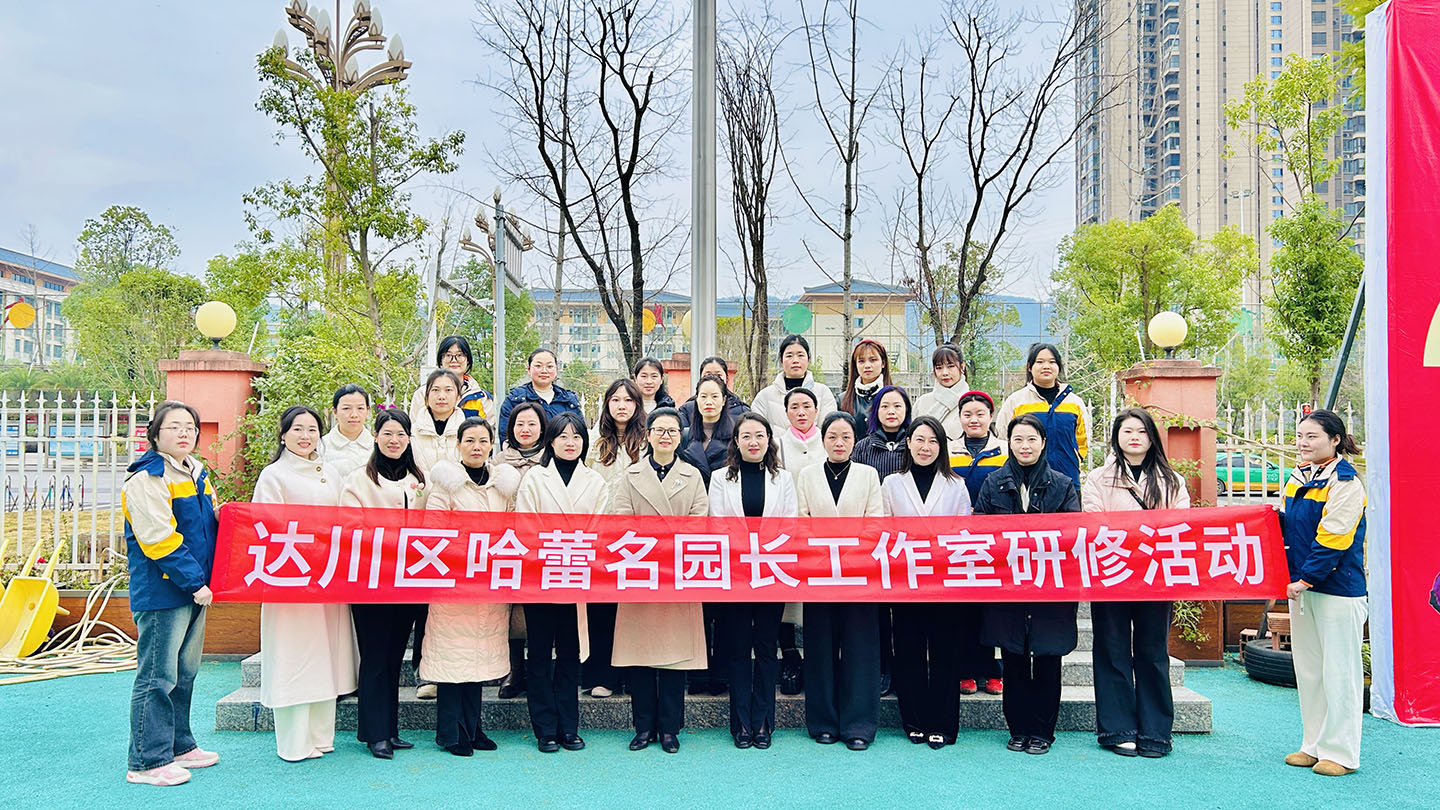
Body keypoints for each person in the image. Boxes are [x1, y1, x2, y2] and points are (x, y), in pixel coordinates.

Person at [1081, 407, 1191, 758]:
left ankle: (1156, 732)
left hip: (1156, 576)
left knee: (1153, 651)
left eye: (1141, 432)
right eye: (1127, 431)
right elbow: (1093, 521)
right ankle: (1117, 729)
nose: (1134, 437)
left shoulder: (1171, 480)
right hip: (1111, 574)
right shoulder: (1099, 479)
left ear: (1151, 437)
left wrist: (1141, 541)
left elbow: (1180, 524)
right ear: (1116, 437)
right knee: (1111, 649)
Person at [251, 406, 358, 762]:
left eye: (312, 429)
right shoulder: (273, 476)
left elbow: (345, 520)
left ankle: (321, 736)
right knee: (294, 656)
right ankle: (294, 742)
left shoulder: (331, 472)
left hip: (327, 579)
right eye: (297, 429)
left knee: (326, 656)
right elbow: (266, 528)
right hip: (291, 581)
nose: (305, 436)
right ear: (283, 435)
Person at [122, 401, 220, 787]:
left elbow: (209, 525)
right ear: (155, 434)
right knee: (157, 675)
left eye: (190, 427)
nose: (184, 433)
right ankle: (147, 760)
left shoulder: (196, 472)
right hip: (164, 591)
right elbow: (158, 539)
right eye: (174, 426)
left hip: (196, 589)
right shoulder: (148, 477)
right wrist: (195, 582)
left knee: (185, 671)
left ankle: (179, 745)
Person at [976, 414, 1081, 756]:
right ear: (1009, 443)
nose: (1025, 446)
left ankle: (1043, 731)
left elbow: (1073, 535)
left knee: (1048, 659)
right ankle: (1018, 728)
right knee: (1014, 658)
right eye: (1018, 439)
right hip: (1008, 587)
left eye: (1031, 439)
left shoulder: (1062, 485)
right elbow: (980, 530)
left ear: (1043, 443)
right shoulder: (993, 483)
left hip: (1050, 586)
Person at [609, 407, 710, 754]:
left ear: (680, 437)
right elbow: (621, 520)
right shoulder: (631, 475)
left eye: (672, 431)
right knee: (639, 656)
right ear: (648, 435)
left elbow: (699, 521)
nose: (666, 436)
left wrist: (666, 543)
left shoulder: (693, 476)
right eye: (659, 430)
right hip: (640, 571)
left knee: (674, 658)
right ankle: (642, 727)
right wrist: (653, 545)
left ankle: (669, 728)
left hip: (677, 573)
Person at [422, 417, 522, 756]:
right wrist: (468, 554)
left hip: (490, 586)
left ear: (491, 445)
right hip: (454, 586)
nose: (476, 447)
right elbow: (433, 533)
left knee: (478, 662)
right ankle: (451, 733)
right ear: (458, 445)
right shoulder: (446, 486)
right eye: (469, 441)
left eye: (482, 441)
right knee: (453, 661)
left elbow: (512, 530)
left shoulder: (502, 486)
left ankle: (474, 727)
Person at [1280, 409, 1367, 777]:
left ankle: (1341, 753)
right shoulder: (1297, 477)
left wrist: (1306, 579)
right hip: (1301, 588)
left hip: (1337, 590)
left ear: (1335, 440)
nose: (1303, 443)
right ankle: (1312, 745)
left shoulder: (1346, 481)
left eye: (1312, 436)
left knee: (1340, 672)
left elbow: (1334, 537)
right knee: (1310, 670)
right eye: (1300, 435)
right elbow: (1285, 526)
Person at [515, 411, 605, 753]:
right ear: (550, 441)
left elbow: (599, 528)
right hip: (541, 575)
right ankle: (544, 729)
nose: (570, 443)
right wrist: (554, 551)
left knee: (570, 654)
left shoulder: (595, 481)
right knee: (539, 653)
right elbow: (526, 526)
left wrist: (575, 553)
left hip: (578, 576)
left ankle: (569, 727)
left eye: (577, 436)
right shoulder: (535, 479)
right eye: (563, 436)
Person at [341, 410, 429, 759]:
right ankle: (374, 732)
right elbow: (350, 529)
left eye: (401, 434)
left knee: (394, 656)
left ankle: (390, 729)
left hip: (408, 581)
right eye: (388, 434)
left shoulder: (418, 478)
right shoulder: (358, 480)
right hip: (371, 581)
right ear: (376, 436)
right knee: (375, 656)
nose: (395, 440)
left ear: (409, 439)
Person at [882, 416, 973, 749]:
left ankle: (943, 723)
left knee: (945, 653)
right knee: (909, 651)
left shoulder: (956, 484)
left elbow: (964, 532)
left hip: (945, 581)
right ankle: (915, 720)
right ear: (908, 443)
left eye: (933, 441)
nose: (925, 447)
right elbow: (884, 530)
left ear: (942, 447)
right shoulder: (892, 483)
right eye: (919, 440)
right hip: (905, 579)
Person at [708, 413, 798, 750]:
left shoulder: (783, 479)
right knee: (737, 649)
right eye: (746, 436)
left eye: (759, 435)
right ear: (736, 441)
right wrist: (745, 554)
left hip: (772, 572)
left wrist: (765, 553)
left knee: (766, 648)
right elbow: (717, 524)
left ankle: (763, 722)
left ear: (768, 439)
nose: (753, 442)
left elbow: (789, 524)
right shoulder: (720, 478)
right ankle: (741, 723)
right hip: (735, 573)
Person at [795, 411, 884, 751]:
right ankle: (823, 722)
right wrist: (824, 554)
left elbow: (875, 522)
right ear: (823, 440)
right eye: (832, 436)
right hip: (818, 574)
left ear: (855, 441)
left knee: (861, 650)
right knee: (820, 648)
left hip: (859, 574)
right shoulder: (807, 475)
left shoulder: (868, 474)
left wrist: (847, 554)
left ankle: (859, 725)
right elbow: (801, 522)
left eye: (846, 436)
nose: (839, 443)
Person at [585, 378, 646, 700]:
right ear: (607, 404)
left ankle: (633, 674)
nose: (622, 406)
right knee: (601, 610)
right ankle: (602, 675)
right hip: (599, 537)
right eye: (616, 400)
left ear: (637, 405)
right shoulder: (594, 441)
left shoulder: (647, 442)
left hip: (638, 540)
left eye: (628, 400)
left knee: (634, 611)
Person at [947, 390, 1007, 696]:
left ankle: (992, 670)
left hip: (995, 540)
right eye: (967, 414)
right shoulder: (948, 450)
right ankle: (966, 669)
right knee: (963, 609)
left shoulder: (1004, 450)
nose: (974, 419)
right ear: (959, 418)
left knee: (991, 607)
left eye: (980, 414)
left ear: (990, 417)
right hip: (957, 540)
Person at [493, 401, 549, 699]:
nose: (525, 429)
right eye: (520, 424)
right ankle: (514, 671)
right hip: (508, 543)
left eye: (532, 424)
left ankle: (539, 670)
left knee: (539, 609)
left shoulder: (551, 459)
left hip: (543, 544)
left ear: (542, 428)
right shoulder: (498, 462)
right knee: (510, 608)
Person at [996, 343, 1089, 491]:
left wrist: (1075, 459)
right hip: (1026, 483)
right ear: (1029, 367)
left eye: (1052, 362)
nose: (1046, 366)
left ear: (1058, 366)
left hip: (1067, 480)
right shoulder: (1016, 401)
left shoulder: (1074, 402)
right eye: (1039, 362)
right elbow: (1002, 438)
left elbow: (1083, 441)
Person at [750, 335, 837, 429]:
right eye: (789, 356)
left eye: (800, 355)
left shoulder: (823, 393)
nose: (795, 360)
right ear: (781, 360)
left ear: (808, 359)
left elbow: (829, 430)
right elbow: (756, 430)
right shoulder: (764, 396)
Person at [497, 348, 582, 440]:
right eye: (538, 366)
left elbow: (580, 435)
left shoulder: (569, 401)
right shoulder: (515, 400)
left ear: (556, 369)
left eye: (549, 366)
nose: (544, 371)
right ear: (528, 369)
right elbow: (506, 436)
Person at [408, 335, 494, 421]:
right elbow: (414, 426)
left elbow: (489, 427)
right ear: (441, 360)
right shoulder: (423, 394)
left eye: (459, 355)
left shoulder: (480, 397)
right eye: (448, 355)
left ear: (468, 360)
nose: (454, 360)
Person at [678, 374, 739, 483]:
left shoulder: (736, 436)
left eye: (715, 396)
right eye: (703, 396)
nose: (709, 402)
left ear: (724, 400)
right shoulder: (684, 437)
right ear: (696, 399)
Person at [851, 385, 913, 482]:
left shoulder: (914, 446)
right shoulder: (862, 448)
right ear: (876, 410)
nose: (891, 412)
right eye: (885, 406)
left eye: (897, 406)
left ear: (906, 409)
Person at [913, 344, 970, 444]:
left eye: (951, 366)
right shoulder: (922, 402)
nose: (945, 373)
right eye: (939, 367)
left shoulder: (971, 402)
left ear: (962, 366)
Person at [412, 370, 464, 474]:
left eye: (448, 390)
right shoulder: (412, 432)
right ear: (427, 396)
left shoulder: (466, 433)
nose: (441, 397)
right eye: (435, 390)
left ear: (458, 397)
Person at [680, 355, 750, 428]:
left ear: (727, 378)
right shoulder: (686, 409)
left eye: (719, 375)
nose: (713, 378)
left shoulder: (742, 410)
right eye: (708, 374)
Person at [321, 383, 374, 478]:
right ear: (335, 412)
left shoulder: (377, 447)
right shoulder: (321, 446)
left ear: (367, 411)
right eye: (346, 408)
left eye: (360, 408)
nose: (354, 415)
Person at [838, 339, 893, 427]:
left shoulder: (896, 398)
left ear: (883, 363)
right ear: (855, 365)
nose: (867, 366)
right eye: (861, 361)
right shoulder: (842, 400)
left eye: (873, 360)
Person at [778, 387, 824, 480]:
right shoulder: (777, 446)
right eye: (794, 407)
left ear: (816, 411)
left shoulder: (827, 442)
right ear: (786, 412)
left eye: (807, 407)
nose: (801, 413)